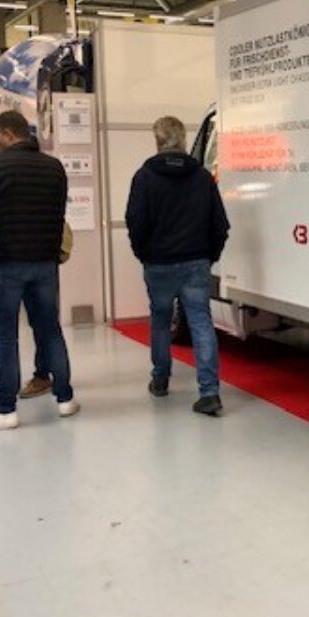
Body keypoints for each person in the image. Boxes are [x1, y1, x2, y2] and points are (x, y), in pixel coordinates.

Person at [0, 110, 77, 430]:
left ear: (5, 134)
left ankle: (5, 409)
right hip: (44, 261)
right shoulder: (54, 167)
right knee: (50, 330)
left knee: (6, 336)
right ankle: (65, 398)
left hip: (8, 263)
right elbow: (58, 211)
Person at [126, 116, 229, 417]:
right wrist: (209, 255)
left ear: (157, 141)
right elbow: (220, 224)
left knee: (160, 320)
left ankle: (160, 379)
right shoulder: (201, 177)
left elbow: (135, 222)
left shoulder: (144, 177)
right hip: (196, 261)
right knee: (201, 323)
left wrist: (143, 253)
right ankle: (209, 393)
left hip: (158, 263)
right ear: (183, 140)